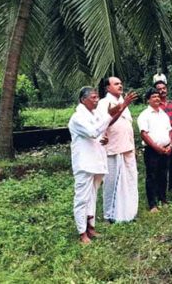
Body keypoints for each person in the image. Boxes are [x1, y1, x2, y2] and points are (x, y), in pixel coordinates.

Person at [68, 86, 123, 244]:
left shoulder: (94, 115)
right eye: (93, 97)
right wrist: (109, 115)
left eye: (97, 97)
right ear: (83, 100)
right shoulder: (77, 117)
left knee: (92, 197)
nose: (96, 100)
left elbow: (97, 135)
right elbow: (92, 132)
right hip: (84, 164)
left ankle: (91, 227)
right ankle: (81, 232)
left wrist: (103, 140)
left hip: (96, 161)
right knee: (82, 198)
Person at [96, 77, 138, 223]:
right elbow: (107, 123)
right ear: (107, 88)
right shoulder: (103, 103)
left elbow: (127, 127)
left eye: (121, 83)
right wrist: (124, 104)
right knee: (111, 183)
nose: (120, 85)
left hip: (128, 148)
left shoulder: (122, 102)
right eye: (116, 84)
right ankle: (109, 215)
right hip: (113, 149)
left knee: (130, 180)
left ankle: (129, 213)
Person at [137, 88, 172, 212]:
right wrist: (156, 147)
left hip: (166, 149)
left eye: (158, 96)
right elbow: (144, 134)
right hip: (152, 151)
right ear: (148, 100)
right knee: (151, 176)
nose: (157, 98)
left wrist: (170, 145)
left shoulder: (163, 114)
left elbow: (169, 131)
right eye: (153, 97)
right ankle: (152, 204)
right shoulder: (144, 115)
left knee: (163, 175)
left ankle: (163, 199)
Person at [154, 75, 172, 192]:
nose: (162, 91)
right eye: (159, 89)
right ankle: (161, 188)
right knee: (162, 165)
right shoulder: (155, 106)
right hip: (163, 138)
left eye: (163, 88)